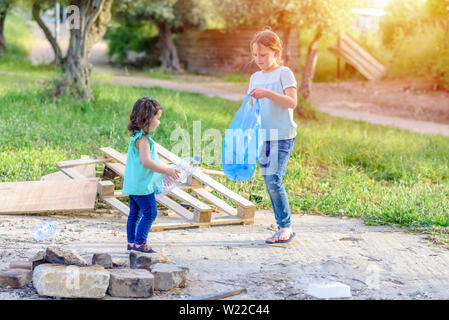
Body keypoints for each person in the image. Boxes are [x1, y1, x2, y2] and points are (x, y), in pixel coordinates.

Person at [247, 28, 298, 244]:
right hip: (264, 137)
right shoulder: (254, 77)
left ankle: (285, 227)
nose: (259, 59)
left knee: (273, 179)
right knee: (269, 181)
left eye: (264, 55)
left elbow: (292, 102)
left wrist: (266, 93)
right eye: (256, 55)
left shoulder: (284, 73)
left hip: (282, 135)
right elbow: (252, 108)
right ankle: (281, 225)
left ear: (276, 53)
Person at [122, 97, 180, 253]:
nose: (159, 122)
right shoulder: (143, 140)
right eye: (157, 118)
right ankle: (140, 243)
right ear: (147, 119)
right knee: (150, 213)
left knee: (134, 214)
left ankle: (131, 243)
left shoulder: (136, 137)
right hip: (143, 187)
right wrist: (166, 170)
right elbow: (147, 162)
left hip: (134, 185)